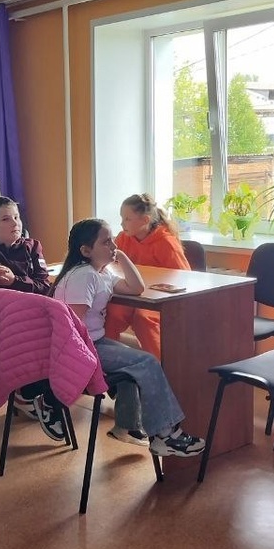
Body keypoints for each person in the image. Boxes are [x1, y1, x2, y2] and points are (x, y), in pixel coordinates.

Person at [51, 219, 206, 457]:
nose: (113, 245)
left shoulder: (101, 273)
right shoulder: (84, 276)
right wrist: (85, 358)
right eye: (106, 242)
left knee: (136, 361)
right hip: (80, 347)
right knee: (147, 362)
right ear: (86, 251)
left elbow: (136, 288)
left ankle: (127, 426)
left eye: (113, 240)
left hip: (93, 342)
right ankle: (166, 435)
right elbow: (72, 328)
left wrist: (121, 256)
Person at [103, 193, 190, 359]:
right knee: (112, 312)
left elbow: (185, 278)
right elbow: (111, 265)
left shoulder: (166, 243)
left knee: (144, 318)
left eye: (127, 219)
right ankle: (107, 361)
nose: (122, 223)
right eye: (122, 218)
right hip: (133, 296)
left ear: (145, 220)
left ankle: (159, 366)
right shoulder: (123, 239)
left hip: (160, 301)